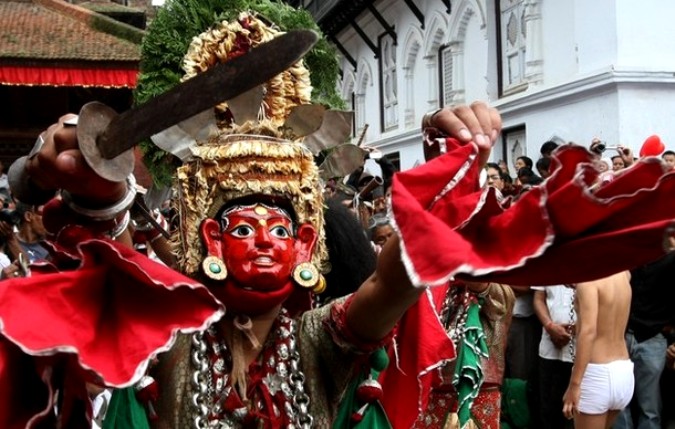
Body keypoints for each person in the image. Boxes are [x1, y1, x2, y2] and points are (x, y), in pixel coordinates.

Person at [562, 272, 634, 429]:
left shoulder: (588, 282)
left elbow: (589, 332)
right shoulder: (624, 273)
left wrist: (574, 384)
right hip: (623, 370)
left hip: (596, 372)